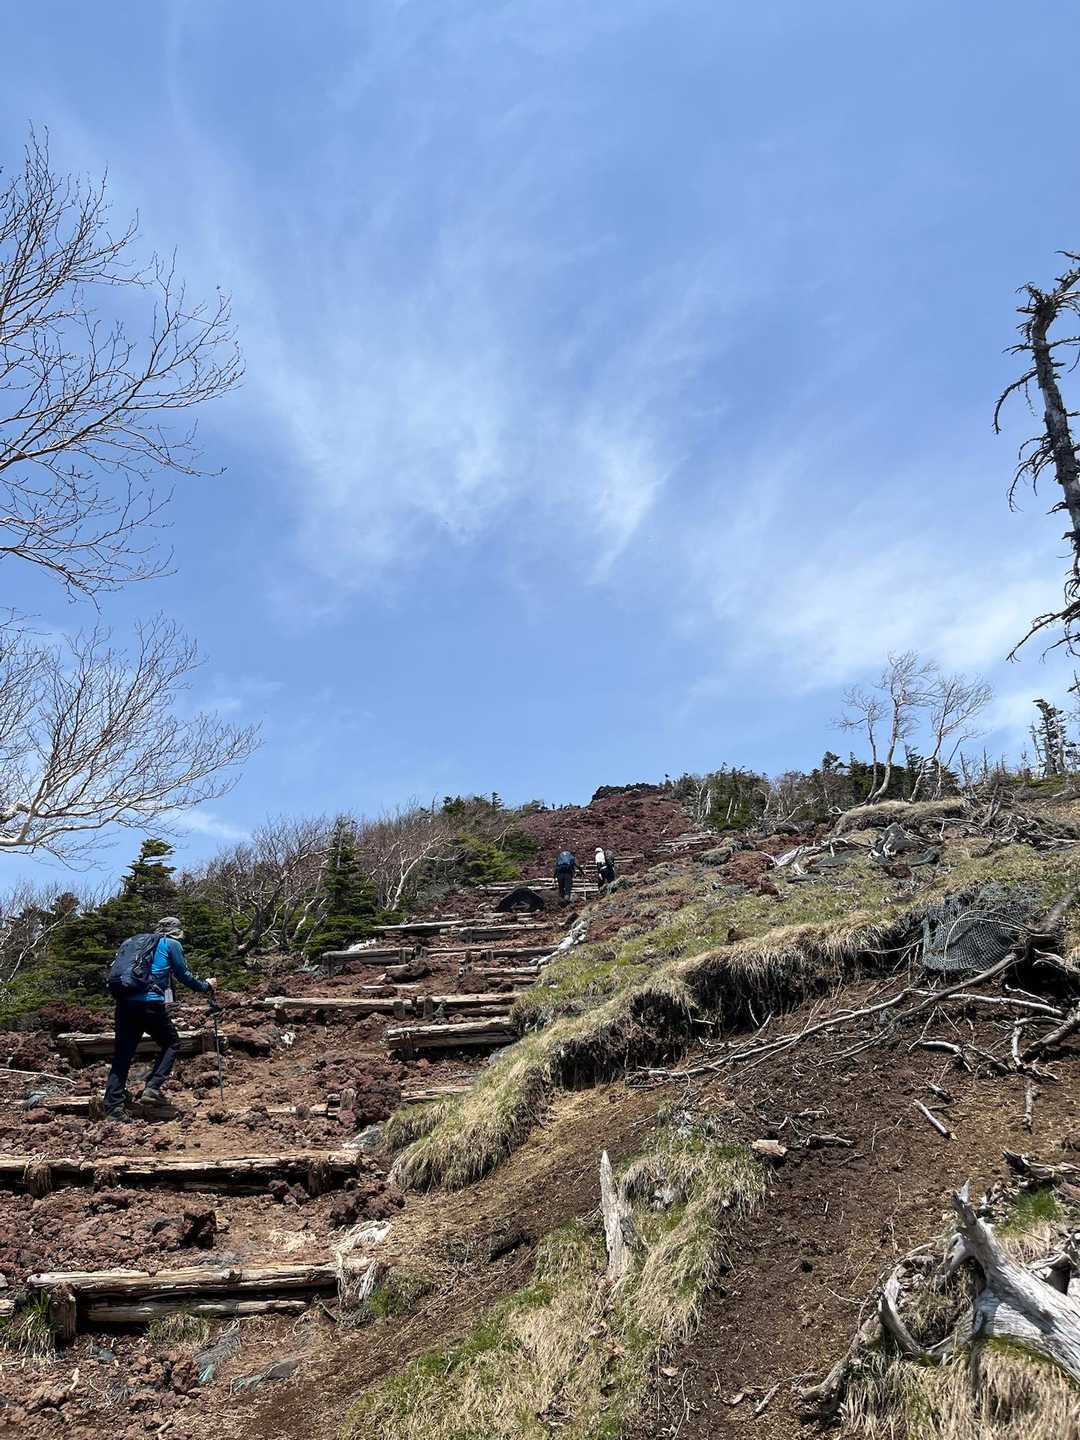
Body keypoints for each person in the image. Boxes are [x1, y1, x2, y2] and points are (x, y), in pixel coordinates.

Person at [103, 917, 217, 1120]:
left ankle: (113, 1107)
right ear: (176, 932)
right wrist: (205, 986)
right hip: (149, 1003)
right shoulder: (171, 944)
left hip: (124, 1004)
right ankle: (152, 1087)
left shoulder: (132, 942)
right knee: (172, 1043)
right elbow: (183, 974)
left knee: (123, 1055)